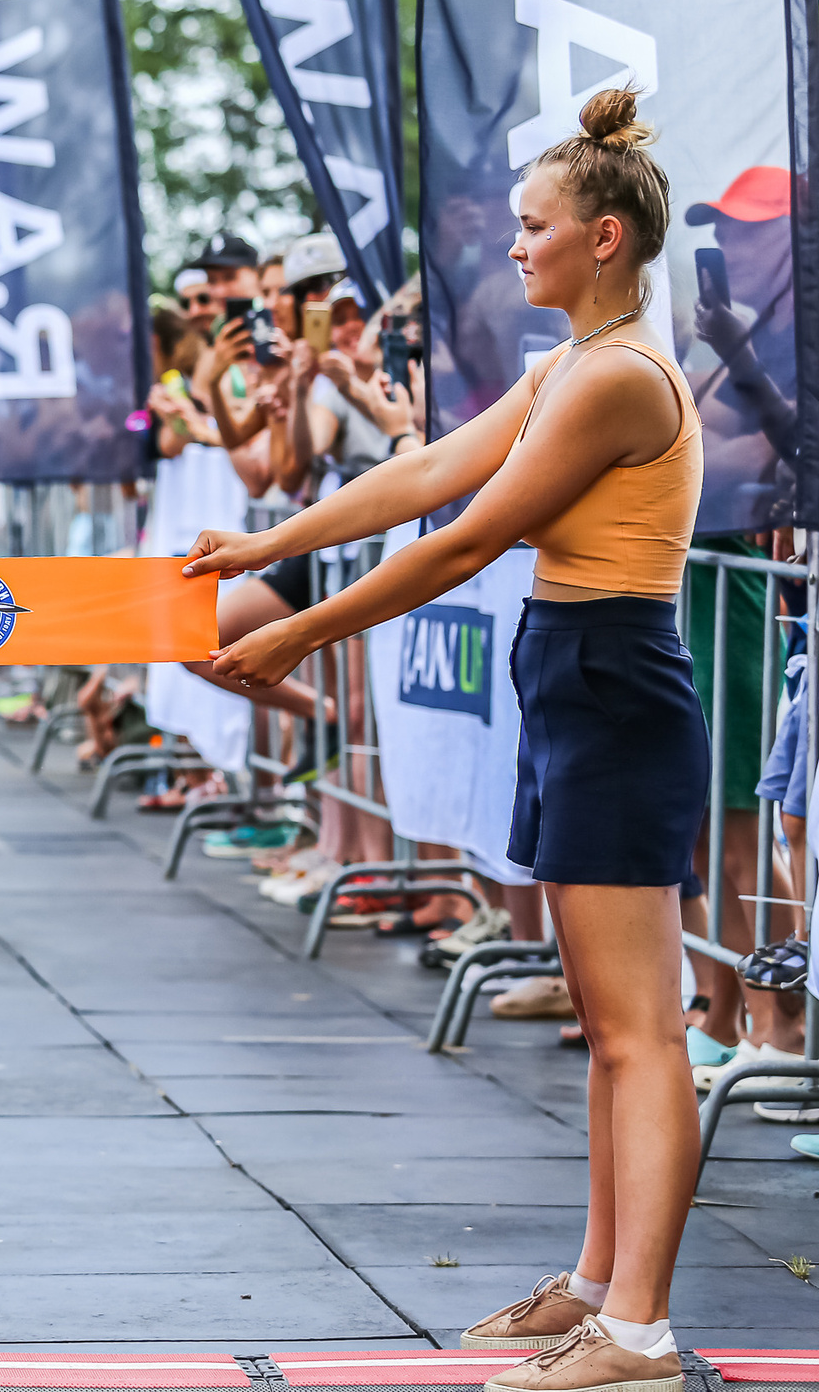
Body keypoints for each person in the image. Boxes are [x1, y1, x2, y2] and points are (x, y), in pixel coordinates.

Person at [188, 89, 702, 1392]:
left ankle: (637, 1327)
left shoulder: (619, 378)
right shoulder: (567, 365)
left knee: (643, 1025)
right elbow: (417, 479)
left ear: (603, 238)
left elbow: (470, 536)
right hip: (575, 670)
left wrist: (302, 635)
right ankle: (600, 1283)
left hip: (615, 679)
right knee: (609, 1018)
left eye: (533, 227)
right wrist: (267, 542)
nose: (511, 246)